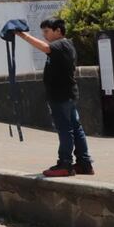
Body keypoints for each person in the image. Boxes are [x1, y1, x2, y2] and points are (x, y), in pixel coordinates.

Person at [17, 18, 94, 177]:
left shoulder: (61, 44)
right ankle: (84, 164)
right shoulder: (63, 46)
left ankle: (65, 164)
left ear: (58, 31)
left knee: (65, 129)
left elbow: (45, 47)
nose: (44, 35)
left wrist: (23, 35)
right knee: (75, 128)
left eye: (47, 31)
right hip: (66, 94)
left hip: (61, 96)